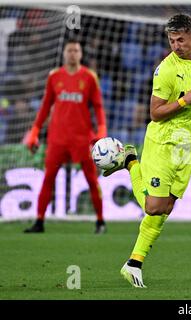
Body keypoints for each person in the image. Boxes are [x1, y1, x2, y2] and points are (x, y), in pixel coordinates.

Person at [103, 14, 191, 288]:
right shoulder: (166, 70)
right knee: (154, 205)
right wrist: (184, 101)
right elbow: (155, 113)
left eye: (180, 39)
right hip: (164, 142)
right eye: (171, 40)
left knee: (167, 207)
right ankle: (131, 162)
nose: (175, 45)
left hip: (188, 145)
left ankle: (134, 263)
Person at [23, 39, 107, 234]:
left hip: (82, 138)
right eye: (69, 50)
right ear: (64, 53)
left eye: (76, 50)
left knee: (92, 180)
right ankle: (39, 221)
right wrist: (35, 131)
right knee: (48, 178)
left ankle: (100, 221)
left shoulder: (89, 77)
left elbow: (98, 107)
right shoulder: (54, 77)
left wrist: (102, 130)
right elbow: (45, 107)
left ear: (81, 54)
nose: (72, 54)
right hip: (57, 138)